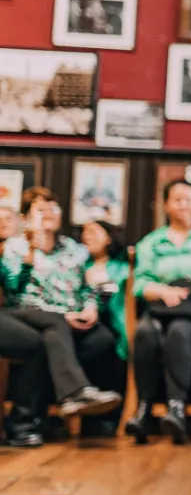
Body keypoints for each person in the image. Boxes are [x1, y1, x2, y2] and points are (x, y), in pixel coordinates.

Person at [0, 188, 122, 447]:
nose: (48, 214)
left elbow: (86, 288)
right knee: (50, 330)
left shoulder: (73, 249)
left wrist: (90, 308)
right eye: (40, 209)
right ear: (27, 217)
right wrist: (31, 254)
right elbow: (13, 288)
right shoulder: (15, 246)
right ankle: (73, 394)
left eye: (53, 208)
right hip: (26, 314)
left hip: (66, 321)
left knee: (102, 338)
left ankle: (84, 414)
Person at [125, 180, 191, 444]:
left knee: (180, 331)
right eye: (177, 199)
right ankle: (143, 410)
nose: (183, 204)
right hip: (163, 308)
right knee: (144, 332)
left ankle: (177, 409)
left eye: (188, 199)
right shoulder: (152, 241)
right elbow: (140, 284)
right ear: (166, 205)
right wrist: (163, 292)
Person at [80, 220, 130, 394]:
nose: (87, 236)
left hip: (115, 326)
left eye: (93, 231)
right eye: (85, 232)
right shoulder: (78, 267)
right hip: (83, 326)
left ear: (108, 238)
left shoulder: (123, 269)